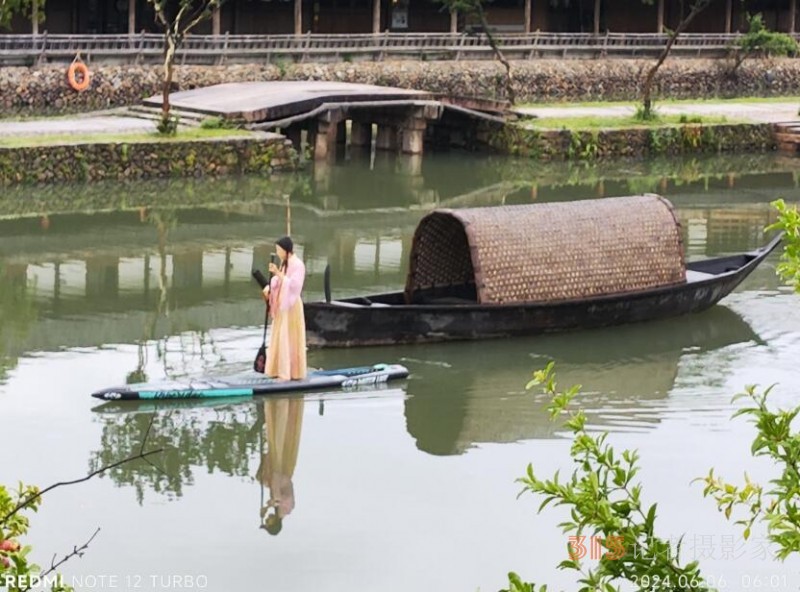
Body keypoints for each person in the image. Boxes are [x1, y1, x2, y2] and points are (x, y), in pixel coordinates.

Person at [261, 236, 308, 381]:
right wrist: (270, 286)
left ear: (286, 250)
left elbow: (294, 285)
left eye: (279, 249)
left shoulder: (298, 265)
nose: (277, 252)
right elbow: (278, 281)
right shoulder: (285, 263)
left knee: (288, 336)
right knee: (279, 335)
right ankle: (276, 369)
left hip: (291, 305)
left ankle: (290, 372)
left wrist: (278, 273)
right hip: (281, 304)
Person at [255, 398, 304, 536]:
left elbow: (275, 500)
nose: (268, 518)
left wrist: (267, 506)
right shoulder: (287, 509)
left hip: (278, 479)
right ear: (275, 523)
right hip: (281, 476)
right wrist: (266, 506)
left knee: (260, 478)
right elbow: (277, 498)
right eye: (269, 521)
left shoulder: (278, 510)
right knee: (265, 478)